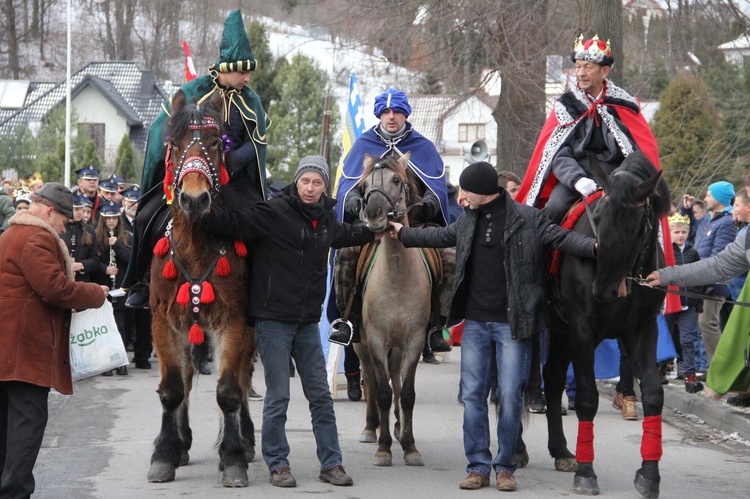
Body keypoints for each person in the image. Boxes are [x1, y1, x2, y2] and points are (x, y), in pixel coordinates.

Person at [388, 161, 597, 492]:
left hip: (512, 325)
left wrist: (597, 247)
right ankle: (477, 467)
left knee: (510, 396)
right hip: (475, 325)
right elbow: (440, 235)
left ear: (480, 191)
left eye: (465, 191)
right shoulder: (468, 220)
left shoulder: (528, 219)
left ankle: (505, 467)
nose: (462, 197)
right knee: (472, 396)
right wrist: (404, 234)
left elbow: (563, 239)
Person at [199, 156, 381, 488]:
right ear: (296, 182)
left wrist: (377, 232)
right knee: (278, 396)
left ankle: (331, 463)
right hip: (273, 322)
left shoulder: (326, 219)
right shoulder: (273, 212)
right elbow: (233, 222)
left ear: (325, 186)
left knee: (321, 397)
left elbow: (348, 234)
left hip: (307, 325)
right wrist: (204, 210)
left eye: (317, 183)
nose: (310, 188)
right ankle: (279, 465)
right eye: (305, 181)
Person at [123, 9, 270, 309]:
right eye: (242, 71)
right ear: (226, 68)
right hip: (189, 173)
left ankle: (261, 292)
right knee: (142, 216)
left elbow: (257, 142)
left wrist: (227, 163)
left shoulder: (251, 100)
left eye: (248, 72)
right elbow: (161, 132)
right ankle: (139, 281)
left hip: (233, 180)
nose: (246, 77)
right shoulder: (194, 91)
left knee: (263, 222)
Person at [0, 182, 108, 498]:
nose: (63, 228)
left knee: (7, 430)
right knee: (27, 425)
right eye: (63, 220)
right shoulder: (35, 237)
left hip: (9, 350)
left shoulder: (11, 234)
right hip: (24, 352)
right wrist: (95, 293)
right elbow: (55, 288)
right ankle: (14, 493)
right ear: (49, 211)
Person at [333, 87, 454, 368]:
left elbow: (436, 189)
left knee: (450, 257)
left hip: (414, 226)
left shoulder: (422, 147)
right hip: (371, 226)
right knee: (346, 255)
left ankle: (437, 326)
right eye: (386, 112)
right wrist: (354, 204)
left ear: (405, 115)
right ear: (378, 115)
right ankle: (346, 320)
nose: (391, 117)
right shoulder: (363, 145)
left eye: (396, 111)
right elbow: (348, 186)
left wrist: (427, 206)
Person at [516, 34, 660, 225]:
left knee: (645, 213)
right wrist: (576, 180)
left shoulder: (624, 105)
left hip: (617, 176)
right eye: (578, 66)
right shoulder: (566, 106)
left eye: (588, 67)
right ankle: (539, 254)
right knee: (553, 209)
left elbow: (638, 152)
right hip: (575, 176)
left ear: (604, 71)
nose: (581, 73)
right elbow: (556, 154)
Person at [693, 181, 736, 362]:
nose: (705, 198)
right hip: (704, 279)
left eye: (709, 195)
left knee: (707, 322)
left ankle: (719, 368)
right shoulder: (712, 220)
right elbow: (693, 228)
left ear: (719, 198)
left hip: (714, 282)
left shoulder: (726, 222)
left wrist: (699, 274)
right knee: (706, 323)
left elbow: (718, 255)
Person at [663, 213, 704, 393]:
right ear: (670, 233)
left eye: (684, 232)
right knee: (665, 337)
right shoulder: (666, 251)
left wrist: (698, 303)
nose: (680, 235)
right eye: (677, 232)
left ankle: (689, 373)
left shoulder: (692, 252)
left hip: (688, 303)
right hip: (671, 302)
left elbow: (699, 278)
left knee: (687, 339)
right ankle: (659, 369)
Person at [95, 200, 132, 376]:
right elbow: (94, 263)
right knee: (104, 326)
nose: (111, 222)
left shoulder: (126, 238)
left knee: (120, 326)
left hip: (120, 288)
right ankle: (106, 363)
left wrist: (116, 244)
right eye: (108, 219)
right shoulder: (96, 238)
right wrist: (105, 269)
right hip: (104, 287)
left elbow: (129, 260)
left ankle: (121, 361)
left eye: (114, 219)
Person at [62, 196, 101, 283]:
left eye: (81, 209)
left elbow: (95, 259)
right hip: (62, 279)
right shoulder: (60, 228)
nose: (80, 213)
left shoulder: (89, 231)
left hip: (82, 280)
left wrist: (82, 265)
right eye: (76, 209)